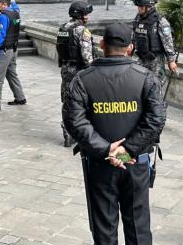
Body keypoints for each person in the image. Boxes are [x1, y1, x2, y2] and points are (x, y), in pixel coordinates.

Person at [63, 22, 166, 244]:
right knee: (139, 228)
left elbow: (74, 120)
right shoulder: (146, 77)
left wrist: (106, 149)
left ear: (101, 44)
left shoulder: (83, 79)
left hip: (101, 163)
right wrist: (126, 151)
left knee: (104, 230)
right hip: (135, 163)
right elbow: (156, 119)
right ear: (130, 47)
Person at [56, 0, 94, 147]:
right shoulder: (82, 30)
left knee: (67, 100)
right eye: (86, 14)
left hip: (66, 69)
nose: (88, 17)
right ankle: (81, 132)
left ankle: (67, 132)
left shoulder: (63, 27)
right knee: (82, 101)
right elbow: (87, 56)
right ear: (80, 15)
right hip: (80, 71)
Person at [132, 0, 178, 85]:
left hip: (155, 60)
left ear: (148, 7)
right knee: (138, 86)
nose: (139, 9)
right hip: (141, 58)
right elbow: (134, 36)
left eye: (141, 7)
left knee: (155, 86)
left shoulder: (160, 21)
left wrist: (171, 60)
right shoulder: (137, 19)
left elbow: (168, 42)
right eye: (138, 7)